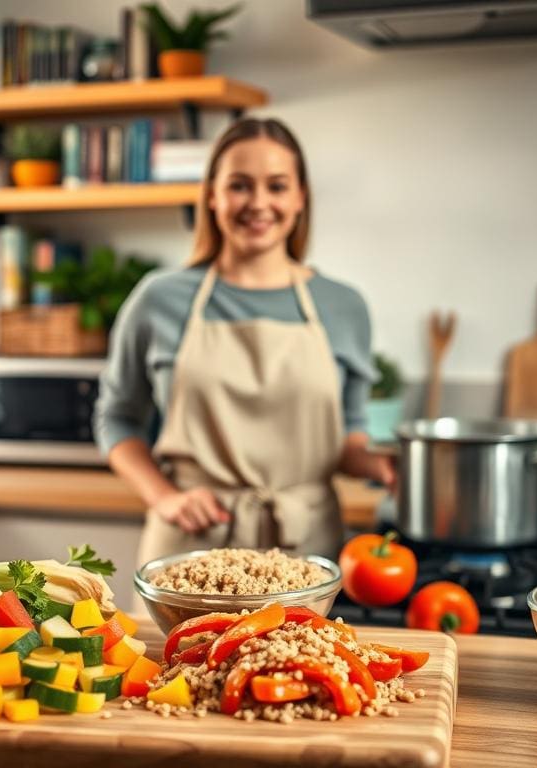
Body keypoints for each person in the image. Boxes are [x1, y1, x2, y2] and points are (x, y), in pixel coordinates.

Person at [94, 117, 394, 566]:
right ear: (212, 196)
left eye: (277, 186)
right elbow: (116, 419)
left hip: (307, 552)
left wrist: (384, 465)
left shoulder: (343, 306)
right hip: (191, 550)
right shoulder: (159, 299)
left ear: (300, 197)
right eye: (239, 186)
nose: (258, 203)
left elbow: (349, 440)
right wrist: (165, 497)